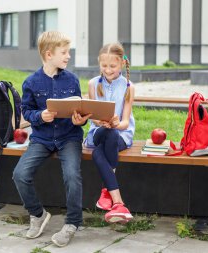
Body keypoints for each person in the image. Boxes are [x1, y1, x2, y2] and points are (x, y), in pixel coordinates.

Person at [12, 31, 91, 247]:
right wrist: (40, 116)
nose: (68, 57)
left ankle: (72, 223)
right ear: (49, 54)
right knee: (19, 174)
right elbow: (26, 111)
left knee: (72, 176)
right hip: (42, 139)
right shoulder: (30, 82)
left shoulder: (72, 80)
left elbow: (80, 111)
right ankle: (38, 214)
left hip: (69, 138)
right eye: (64, 53)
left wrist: (79, 121)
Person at [86, 42, 135, 224]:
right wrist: (99, 121)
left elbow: (125, 122)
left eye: (112, 66)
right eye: (104, 66)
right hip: (98, 132)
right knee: (106, 135)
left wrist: (116, 123)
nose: (107, 70)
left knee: (103, 147)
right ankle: (119, 203)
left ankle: (112, 197)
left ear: (121, 63)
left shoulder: (129, 87)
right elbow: (92, 118)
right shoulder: (93, 84)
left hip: (120, 134)